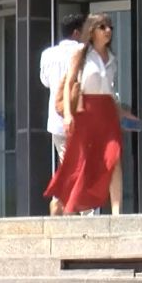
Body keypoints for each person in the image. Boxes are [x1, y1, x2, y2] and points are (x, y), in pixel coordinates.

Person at [43, 14, 123, 214]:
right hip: (86, 112)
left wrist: (122, 111)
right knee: (81, 164)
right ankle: (62, 203)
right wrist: (68, 115)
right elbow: (69, 83)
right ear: (91, 31)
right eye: (102, 27)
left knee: (114, 158)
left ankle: (117, 213)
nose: (108, 31)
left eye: (110, 27)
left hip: (107, 113)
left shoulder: (112, 58)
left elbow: (110, 90)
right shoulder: (82, 53)